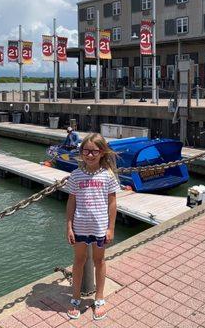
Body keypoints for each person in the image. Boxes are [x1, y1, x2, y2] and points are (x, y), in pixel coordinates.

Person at [66, 133, 120, 321]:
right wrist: (69, 226)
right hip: (80, 226)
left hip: (99, 228)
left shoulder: (108, 175)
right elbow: (71, 202)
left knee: (100, 261)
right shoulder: (75, 175)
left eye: (94, 151)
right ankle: (75, 297)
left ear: (102, 152)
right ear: (81, 153)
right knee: (78, 261)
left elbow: (112, 204)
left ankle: (99, 297)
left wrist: (111, 228)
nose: (90, 155)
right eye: (86, 151)